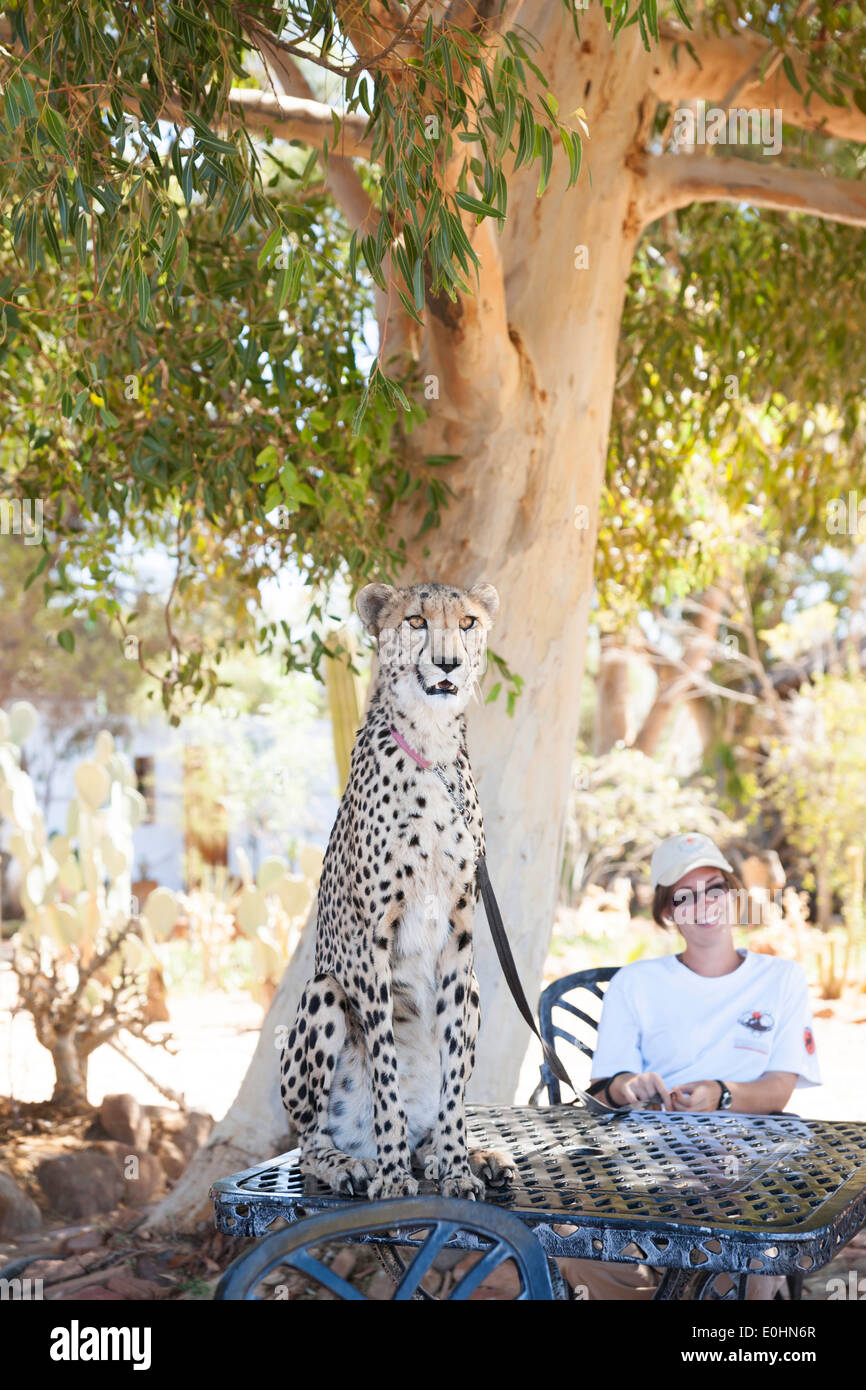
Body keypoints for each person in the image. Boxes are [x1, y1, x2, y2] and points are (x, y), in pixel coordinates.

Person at [555, 831, 821, 1301]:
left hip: (747, 1158)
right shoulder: (636, 982)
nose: (704, 905)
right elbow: (606, 1089)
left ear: (733, 895)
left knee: (748, 1254)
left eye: (714, 888)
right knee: (575, 1243)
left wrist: (720, 1094)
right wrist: (630, 1087)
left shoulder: (781, 978)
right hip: (646, 1161)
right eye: (685, 896)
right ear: (667, 912)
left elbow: (779, 1088)